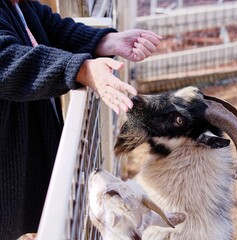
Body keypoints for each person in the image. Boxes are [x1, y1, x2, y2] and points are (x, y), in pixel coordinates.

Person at [0, 0, 162, 239]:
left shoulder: (16, 4)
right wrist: (81, 70)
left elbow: (49, 27)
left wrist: (106, 41)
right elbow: (6, 58)